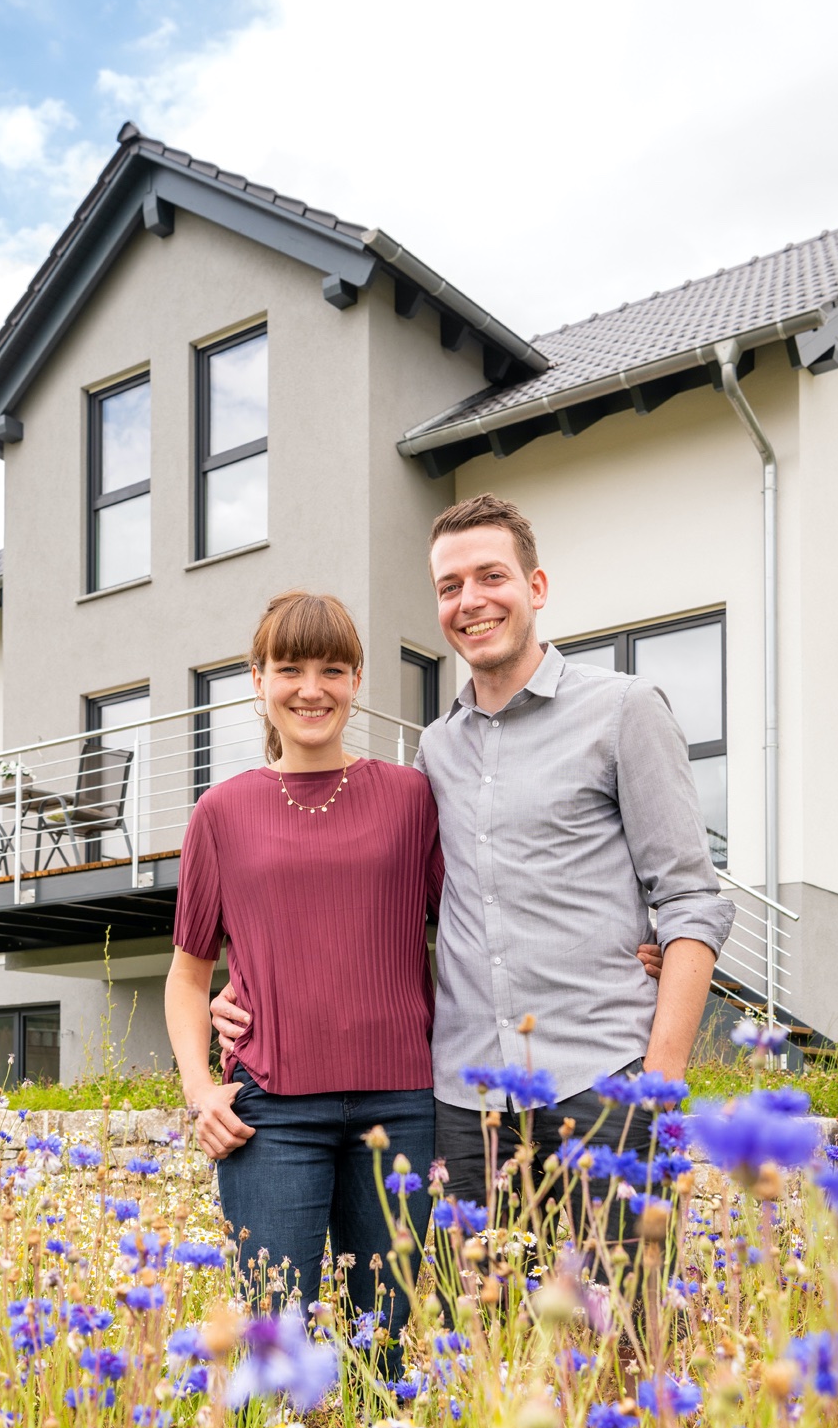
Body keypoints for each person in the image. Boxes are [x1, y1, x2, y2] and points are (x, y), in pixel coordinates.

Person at [213, 493, 732, 1266]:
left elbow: (689, 897)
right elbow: (390, 909)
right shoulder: (435, 753)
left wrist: (660, 1078)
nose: (470, 600)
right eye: (450, 586)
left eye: (491, 576)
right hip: (465, 1110)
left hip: (603, 1085)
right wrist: (253, 986)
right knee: (484, 1353)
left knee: (625, 1341)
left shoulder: (623, 710)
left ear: (537, 586)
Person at [164, 589, 440, 1337]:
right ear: (257, 679)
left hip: (402, 1107)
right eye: (289, 667)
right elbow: (189, 976)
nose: (311, 688)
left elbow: (475, 931)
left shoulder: (413, 798)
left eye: (332, 668)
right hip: (270, 1115)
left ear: (356, 680)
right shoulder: (219, 812)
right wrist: (200, 1091)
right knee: (274, 1346)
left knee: (381, 1345)